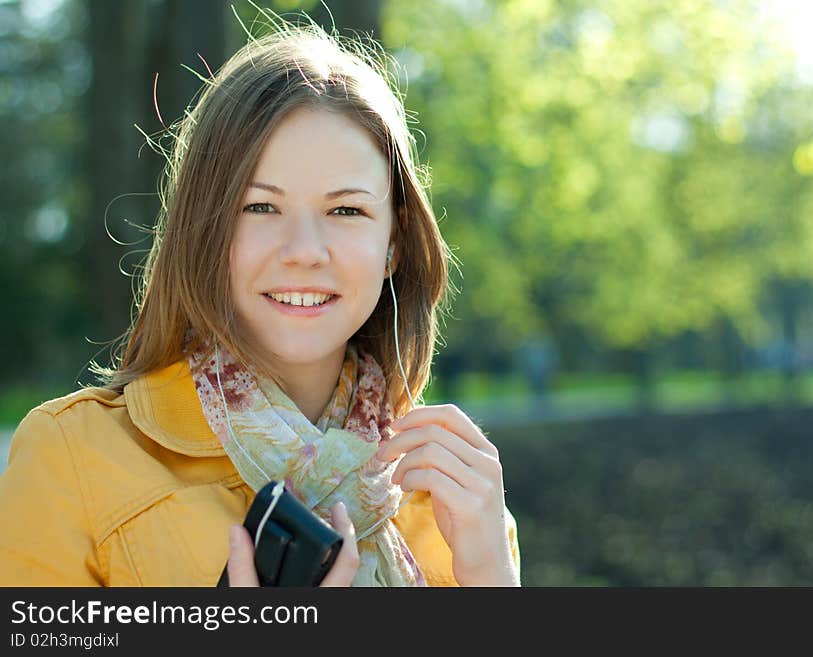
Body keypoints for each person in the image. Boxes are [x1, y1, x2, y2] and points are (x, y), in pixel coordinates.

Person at [0, 15, 520, 587]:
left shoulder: (451, 499)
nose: (304, 251)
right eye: (260, 207)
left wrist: (493, 578)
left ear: (393, 244)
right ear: (206, 230)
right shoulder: (73, 458)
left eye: (346, 210)